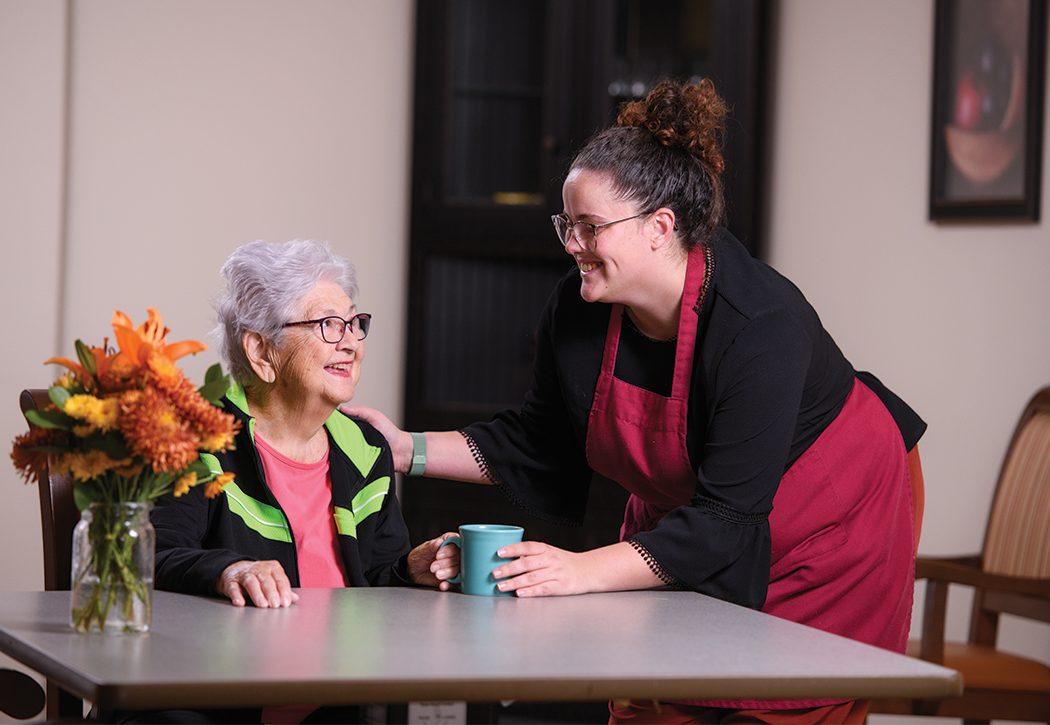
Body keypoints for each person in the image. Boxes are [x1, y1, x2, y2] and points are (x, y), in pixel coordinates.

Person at [348, 79, 925, 724]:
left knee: (768, 699)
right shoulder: (578, 309)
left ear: (660, 226)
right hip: (700, 519)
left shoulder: (761, 324)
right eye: (566, 223)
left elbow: (729, 520)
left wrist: (576, 572)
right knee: (654, 702)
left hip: (831, 514)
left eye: (590, 227)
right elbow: (539, 442)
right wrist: (405, 449)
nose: (570, 244)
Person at [149, 239, 458, 724]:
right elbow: (151, 556)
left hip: (336, 710)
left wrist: (411, 568)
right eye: (327, 325)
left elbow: (374, 579)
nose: (351, 342)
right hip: (213, 705)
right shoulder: (196, 437)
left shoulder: (365, 450)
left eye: (355, 324)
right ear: (261, 351)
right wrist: (231, 571)